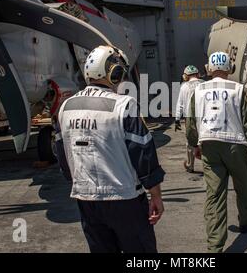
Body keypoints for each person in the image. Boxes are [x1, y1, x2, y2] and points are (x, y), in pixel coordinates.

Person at [54, 45, 165, 253]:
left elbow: (62, 154)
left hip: (86, 199)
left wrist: (77, 180)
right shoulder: (124, 105)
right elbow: (144, 155)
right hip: (125, 199)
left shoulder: (65, 108)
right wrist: (155, 195)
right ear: (113, 73)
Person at [186, 51, 247, 253]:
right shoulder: (238, 89)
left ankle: (215, 246)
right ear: (229, 68)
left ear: (209, 68)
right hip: (235, 145)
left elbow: (191, 122)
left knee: (214, 196)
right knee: (244, 187)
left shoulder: (199, 90)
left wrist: (194, 144)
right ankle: (246, 221)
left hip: (209, 146)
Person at [175, 65, 203, 172]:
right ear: (198, 74)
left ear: (185, 76)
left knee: (190, 142)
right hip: (203, 117)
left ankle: (190, 165)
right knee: (204, 140)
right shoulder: (204, 84)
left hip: (189, 119)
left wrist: (177, 119)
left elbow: (180, 104)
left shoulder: (184, 87)